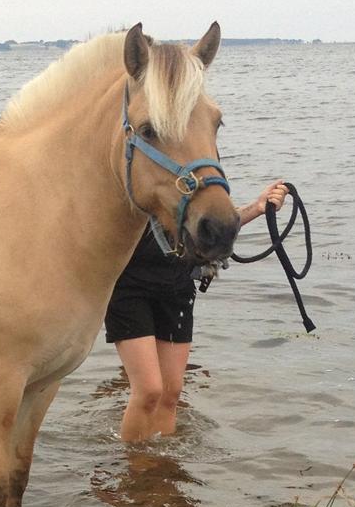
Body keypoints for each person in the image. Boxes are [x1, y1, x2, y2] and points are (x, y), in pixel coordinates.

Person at [106, 181, 288, 441]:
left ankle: (162, 466)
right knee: (148, 390)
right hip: (128, 289)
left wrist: (258, 208)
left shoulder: (191, 181)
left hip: (177, 287)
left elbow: (209, 227)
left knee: (171, 393)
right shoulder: (137, 178)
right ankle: (136, 465)